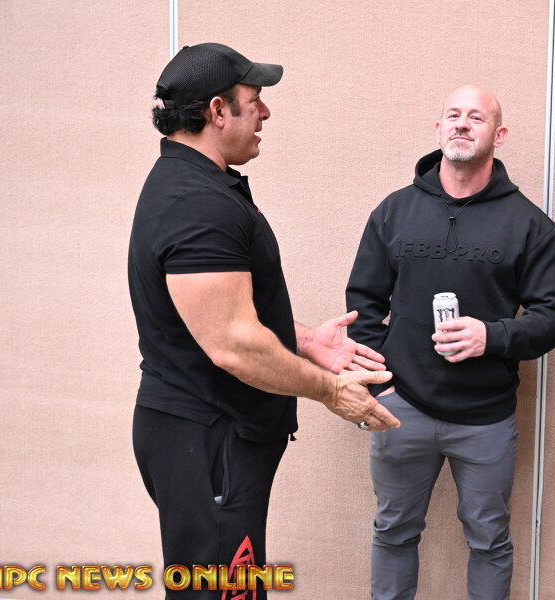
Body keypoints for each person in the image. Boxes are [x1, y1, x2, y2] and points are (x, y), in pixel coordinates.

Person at [128, 42, 399, 598]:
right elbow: (233, 343)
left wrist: (304, 340)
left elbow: (224, 315)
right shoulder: (196, 203)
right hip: (208, 439)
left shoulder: (200, 186)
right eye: (254, 101)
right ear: (217, 111)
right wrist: (331, 391)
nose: (265, 113)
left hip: (210, 439)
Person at [346, 85, 555, 600]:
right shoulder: (394, 211)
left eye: (476, 117)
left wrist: (491, 335)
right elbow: (362, 303)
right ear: (438, 129)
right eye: (453, 115)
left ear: (499, 135)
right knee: (393, 531)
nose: (462, 124)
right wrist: (381, 387)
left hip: (485, 419)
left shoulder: (530, 225)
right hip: (401, 408)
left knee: (489, 540)